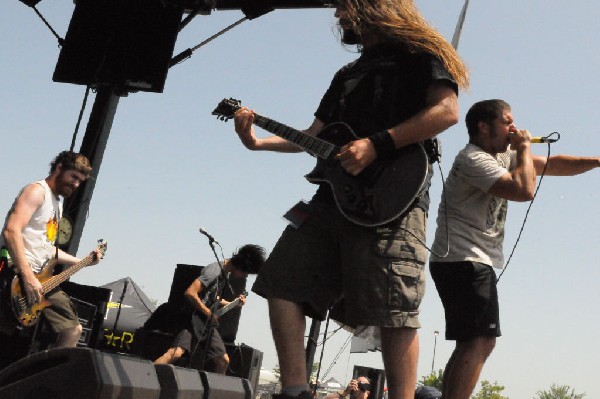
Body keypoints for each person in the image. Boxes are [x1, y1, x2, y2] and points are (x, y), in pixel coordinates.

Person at [232, 1, 469, 398]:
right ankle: (295, 391)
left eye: (345, 6)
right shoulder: (347, 74)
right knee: (281, 283)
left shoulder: (419, 57)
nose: (338, 15)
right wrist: (256, 142)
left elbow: (446, 112)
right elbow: (315, 136)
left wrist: (377, 145)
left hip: (393, 201)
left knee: (396, 311)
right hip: (332, 198)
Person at [428, 99, 600, 399]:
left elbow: (552, 164)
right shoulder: (473, 158)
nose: (515, 128)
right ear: (483, 126)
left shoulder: (502, 156)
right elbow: (523, 190)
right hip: (464, 258)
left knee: (473, 340)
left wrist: (598, 161)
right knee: (481, 340)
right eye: (507, 121)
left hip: (463, 260)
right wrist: (522, 148)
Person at [0, 150, 102, 347]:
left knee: (73, 329)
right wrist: (27, 275)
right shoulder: (37, 191)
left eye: (80, 181)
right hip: (16, 274)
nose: (76, 184)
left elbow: (48, 249)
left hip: (41, 278)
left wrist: (84, 260)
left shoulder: (58, 204)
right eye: (73, 177)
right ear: (59, 168)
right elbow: (11, 231)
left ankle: (54, 377)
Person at [153, 244, 266, 373]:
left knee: (223, 361)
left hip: (204, 322)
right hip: (192, 319)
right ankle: (147, 377)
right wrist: (208, 313)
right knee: (175, 354)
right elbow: (190, 293)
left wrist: (233, 303)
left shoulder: (224, 274)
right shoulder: (214, 270)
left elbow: (212, 297)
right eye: (246, 272)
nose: (244, 276)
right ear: (241, 266)